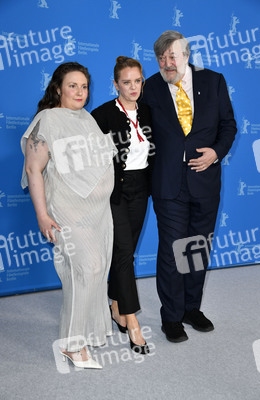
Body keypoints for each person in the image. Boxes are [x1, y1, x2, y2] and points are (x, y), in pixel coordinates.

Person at [142, 31, 237, 342]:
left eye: (173, 56)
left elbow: (228, 125)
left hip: (205, 181)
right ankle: (171, 316)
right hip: (168, 184)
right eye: (161, 58)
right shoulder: (150, 87)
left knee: (196, 249)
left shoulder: (214, 81)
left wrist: (216, 152)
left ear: (186, 55)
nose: (167, 63)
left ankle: (190, 309)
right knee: (172, 250)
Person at [21, 62, 117, 368]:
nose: (79, 92)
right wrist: (42, 215)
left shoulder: (87, 118)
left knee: (95, 271)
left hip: (97, 212)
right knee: (86, 270)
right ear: (58, 88)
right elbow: (33, 169)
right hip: (66, 210)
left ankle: (82, 335)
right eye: (72, 85)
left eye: (84, 86)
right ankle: (71, 346)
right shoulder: (47, 119)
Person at [91, 56, 154, 354]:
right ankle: (132, 321)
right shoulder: (101, 114)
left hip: (142, 190)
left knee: (122, 253)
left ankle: (115, 305)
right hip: (114, 192)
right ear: (115, 84)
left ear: (143, 81)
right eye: (126, 82)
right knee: (124, 253)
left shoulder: (150, 112)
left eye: (137, 81)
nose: (133, 87)